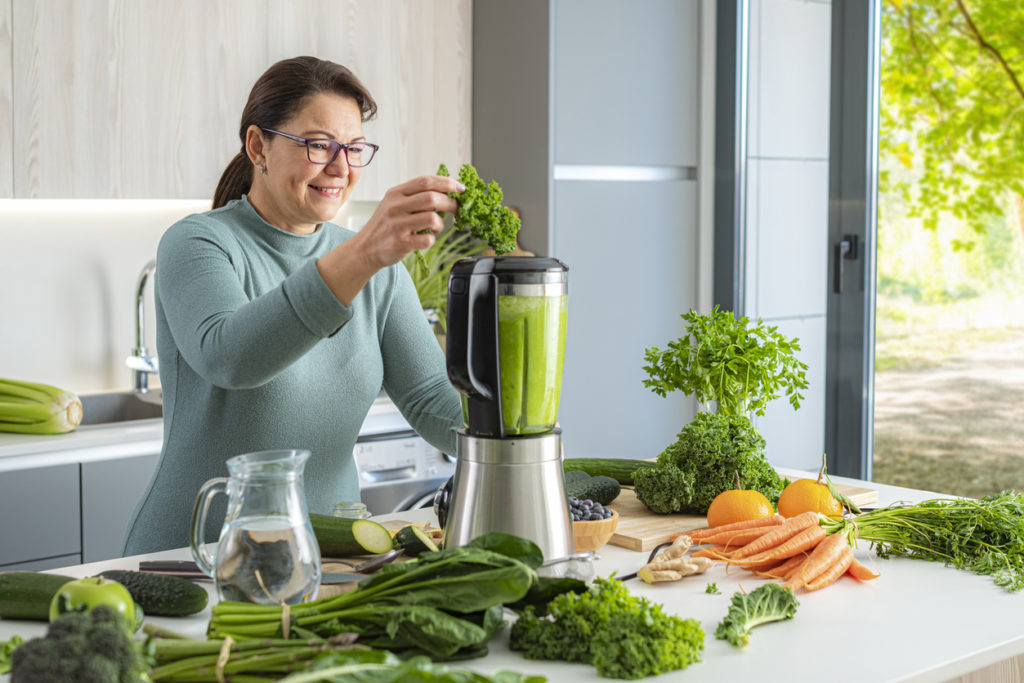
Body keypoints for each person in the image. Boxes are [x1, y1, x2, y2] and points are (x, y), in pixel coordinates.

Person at [122, 56, 464, 556]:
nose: (341, 168)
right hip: (197, 553)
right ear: (259, 146)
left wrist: (516, 433)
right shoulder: (198, 242)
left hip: (338, 554)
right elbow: (230, 357)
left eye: (353, 148)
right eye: (319, 145)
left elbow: (430, 396)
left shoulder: (379, 268)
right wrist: (364, 252)